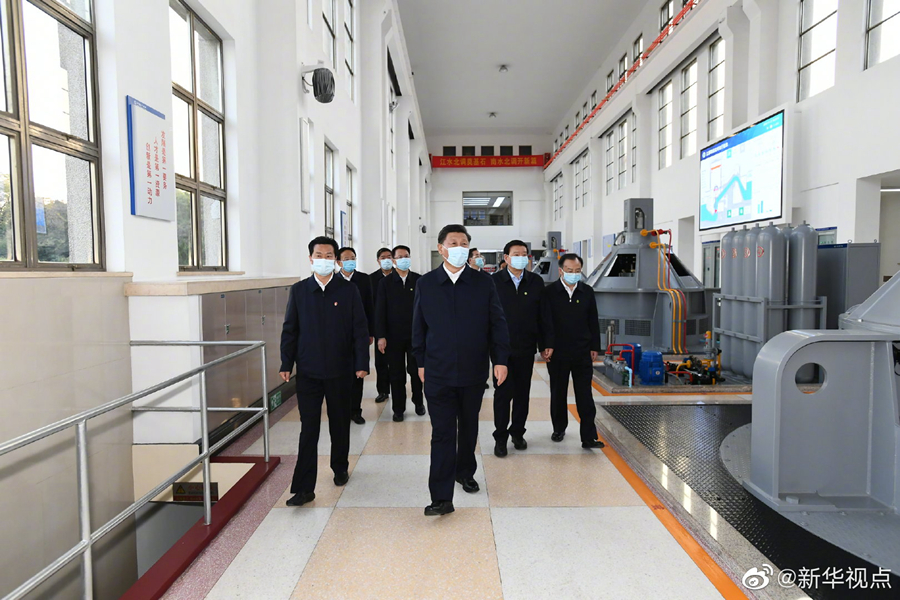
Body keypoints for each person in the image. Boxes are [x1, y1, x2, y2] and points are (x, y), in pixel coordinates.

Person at [413, 224, 510, 516]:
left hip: (472, 370)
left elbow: (497, 323)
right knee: (442, 432)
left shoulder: (483, 283)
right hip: (437, 371)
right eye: (453, 243)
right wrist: (420, 362)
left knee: (468, 427)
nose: (459, 248)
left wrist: (500, 360)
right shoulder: (427, 283)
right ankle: (441, 497)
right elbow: (418, 326)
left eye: (464, 243)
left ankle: (465, 472)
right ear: (441, 248)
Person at [280, 236, 369, 506]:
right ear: (310, 259)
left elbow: (359, 329)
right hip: (309, 371)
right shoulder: (299, 291)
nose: (323, 260)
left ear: (336, 261)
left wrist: (361, 363)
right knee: (309, 428)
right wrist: (286, 363)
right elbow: (290, 329)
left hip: (341, 370)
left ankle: (340, 467)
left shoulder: (348, 290)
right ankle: (303, 488)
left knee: (340, 422)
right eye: (318, 255)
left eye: (329, 256)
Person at [540, 253, 605, 450]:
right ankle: (559, 429)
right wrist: (544, 346)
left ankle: (588, 436)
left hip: (582, 351)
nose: (573, 274)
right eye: (569, 270)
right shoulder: (549, 292)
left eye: (577, 271)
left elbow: (593, 320)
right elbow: (544, 322)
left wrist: (594, 347)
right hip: (557, 352)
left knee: (585, 394)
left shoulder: (587, 291)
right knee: (558, 392)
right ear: (561, 271)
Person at [491, 240, 545, 457]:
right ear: (506, 258)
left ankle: (517, 432)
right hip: (501, 349)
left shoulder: (535, 282)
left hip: (525, 347)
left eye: (524, 254)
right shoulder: (494, 282)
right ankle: (500, 437)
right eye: (516, 254)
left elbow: (543, 316)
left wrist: (544, 344)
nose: (521, 258)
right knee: (502, 394)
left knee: (523, 393)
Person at [375, 245, 424, 421]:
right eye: (400, 257)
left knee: (416, 372)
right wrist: (381, 336)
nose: (404, 259)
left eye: (406, 256)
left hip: (415, 336)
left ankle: (418, 402)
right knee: (396, 374)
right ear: (394, 261)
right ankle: (398, 408)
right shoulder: (385, 283)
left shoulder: (419, 280)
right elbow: (380, 311)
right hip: (393, 337)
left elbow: (425, 309)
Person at [337, 246, 376, 425]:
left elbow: (370, 306)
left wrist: (370, 332)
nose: (350, 261)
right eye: (346, 259)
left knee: (358, 373)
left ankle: (355, 410)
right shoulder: (334, 280)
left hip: (359, 333)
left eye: (353, 258)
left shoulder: (363, 279)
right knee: (340, 374)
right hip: (339, 335)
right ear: (339, 262)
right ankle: (342, 410)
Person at [369, 248, 395, 403]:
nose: (386, 260)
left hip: (397, 325)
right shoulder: (371, 279)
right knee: (381, 361)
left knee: (397, 362)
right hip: (379, 325)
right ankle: (383, 390)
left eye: (389, 257)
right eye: (383, 257)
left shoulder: (399, 276)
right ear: (378, 261)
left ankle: (398, 389)